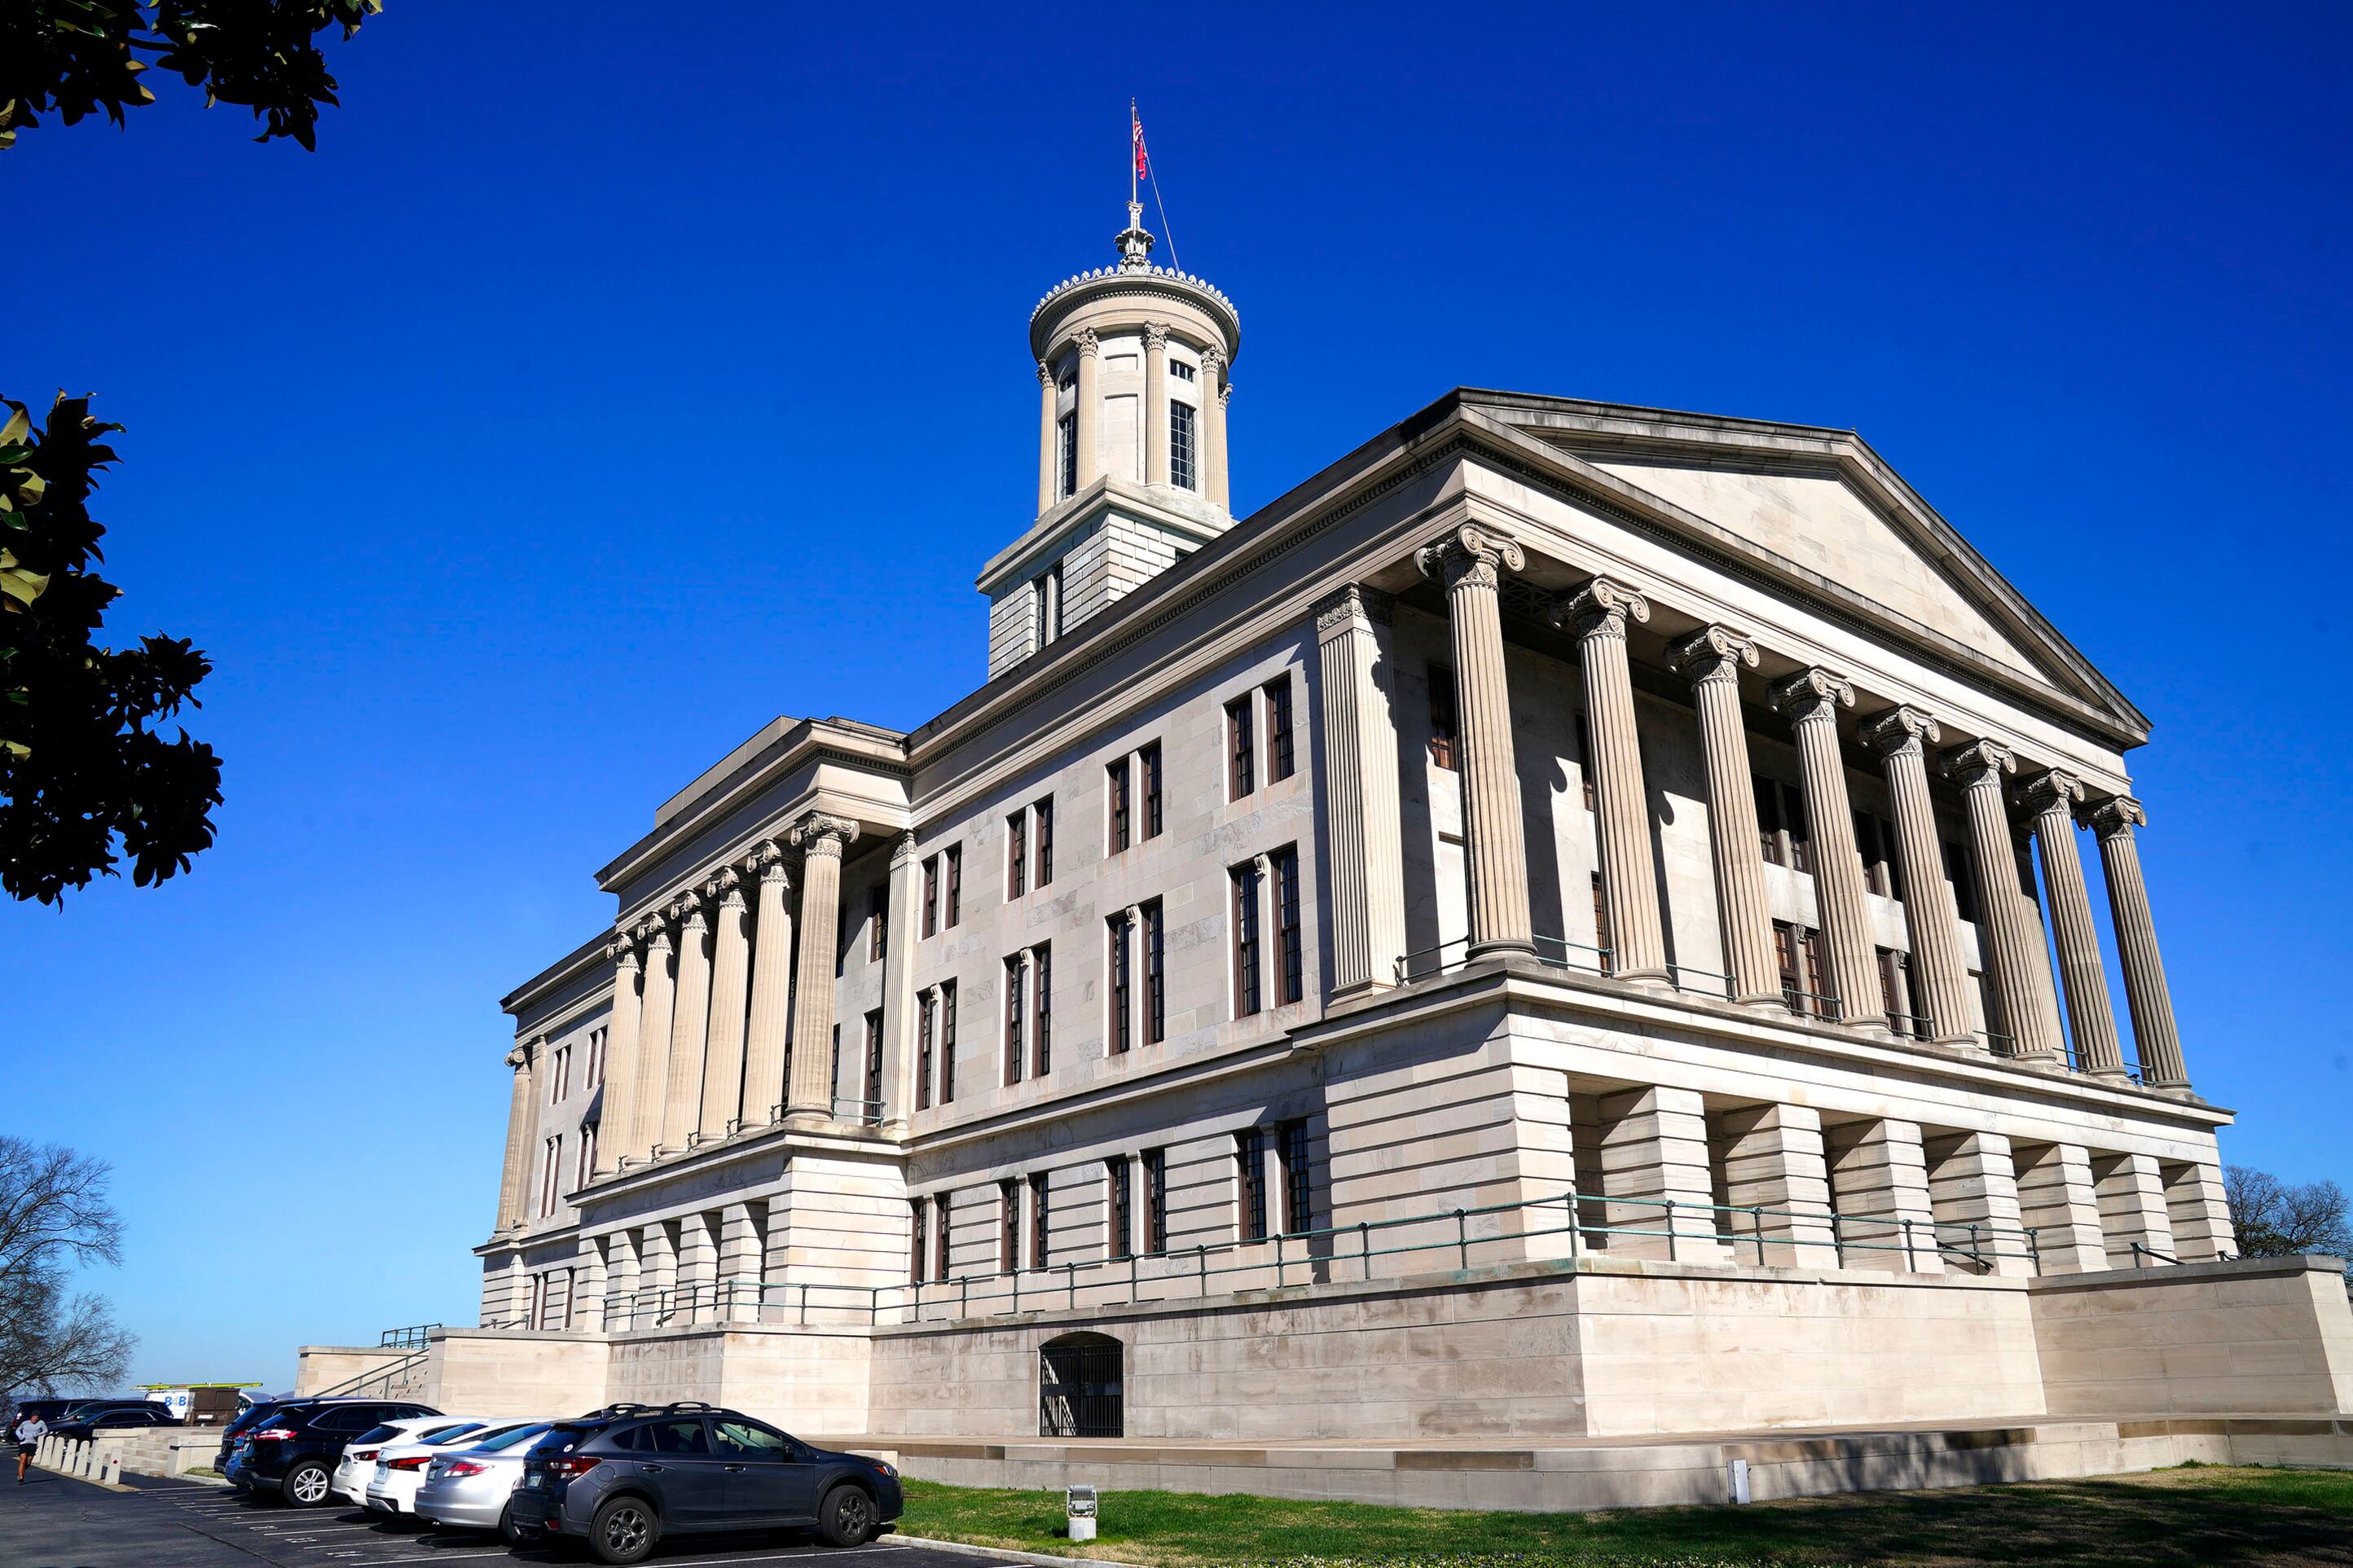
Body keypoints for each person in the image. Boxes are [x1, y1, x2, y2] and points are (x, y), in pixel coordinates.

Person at [14, 1409, 46, 1483]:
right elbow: (17, 1430)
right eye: (34, 1417)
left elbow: (45, 1430)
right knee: (23, 1459)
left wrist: (38, 1434)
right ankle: (21, 1478)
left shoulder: (41, 1423)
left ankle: (21, 1472)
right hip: (24, 1443)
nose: (35, 1419)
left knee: (28, 1463)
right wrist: (20, 1436)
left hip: (33, 1444)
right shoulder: (25, 1423)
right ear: (31, 1417)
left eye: (37, 1417)